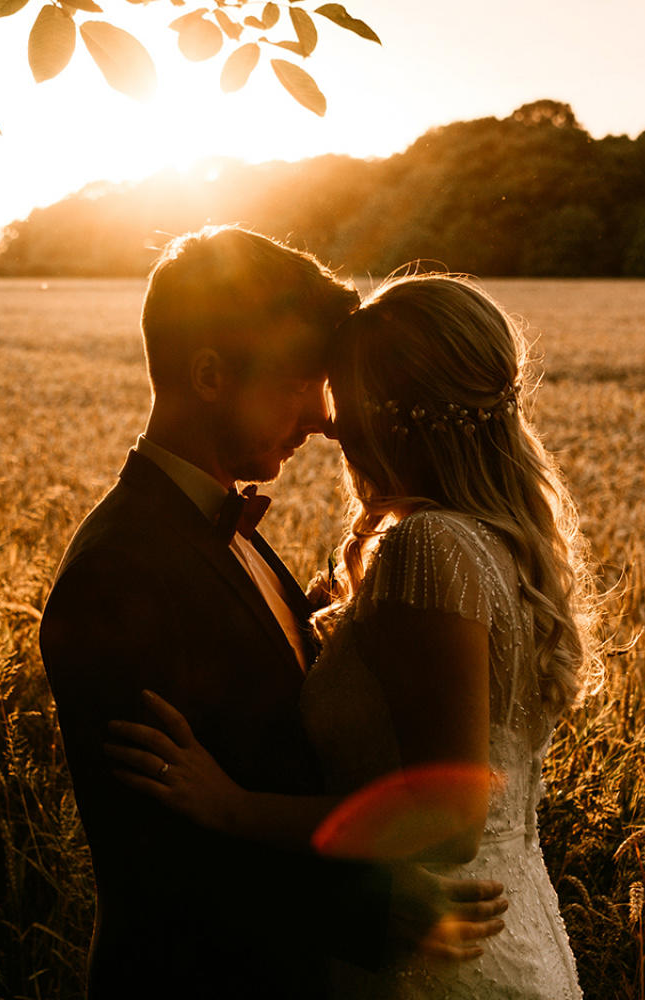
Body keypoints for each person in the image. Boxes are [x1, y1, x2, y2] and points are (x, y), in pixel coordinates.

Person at [38, 230, 510, 1000]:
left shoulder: (227, 533)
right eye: (300, 382)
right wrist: (377, 910)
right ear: (212, 375)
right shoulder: (118, 569)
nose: (327, 419)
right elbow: (152, 843)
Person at [107, 273, 603, 999]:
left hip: (434, 957)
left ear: (390, 410)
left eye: (341, 391)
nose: (327, 422)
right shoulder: (493, 545)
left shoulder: (431, 547)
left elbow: (449, 818)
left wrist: (232, 807)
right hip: (508, 936)